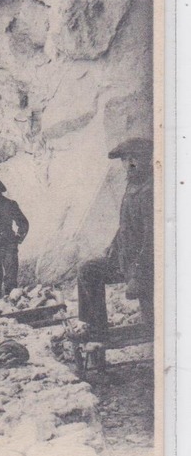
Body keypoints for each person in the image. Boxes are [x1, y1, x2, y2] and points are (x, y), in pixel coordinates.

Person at [77, 138, 154, 336]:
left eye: (134, 158)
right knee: (88, 270)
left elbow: (152, 240)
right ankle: (95, 328)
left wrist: (137, 277)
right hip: (126, 262)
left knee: (154, 323)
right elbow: (126, 226)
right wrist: (113, 246)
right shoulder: (132, 187)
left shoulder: (150, 191)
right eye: (125, 159)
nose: (129, 164)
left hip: (148, 268)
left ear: (147, 159)